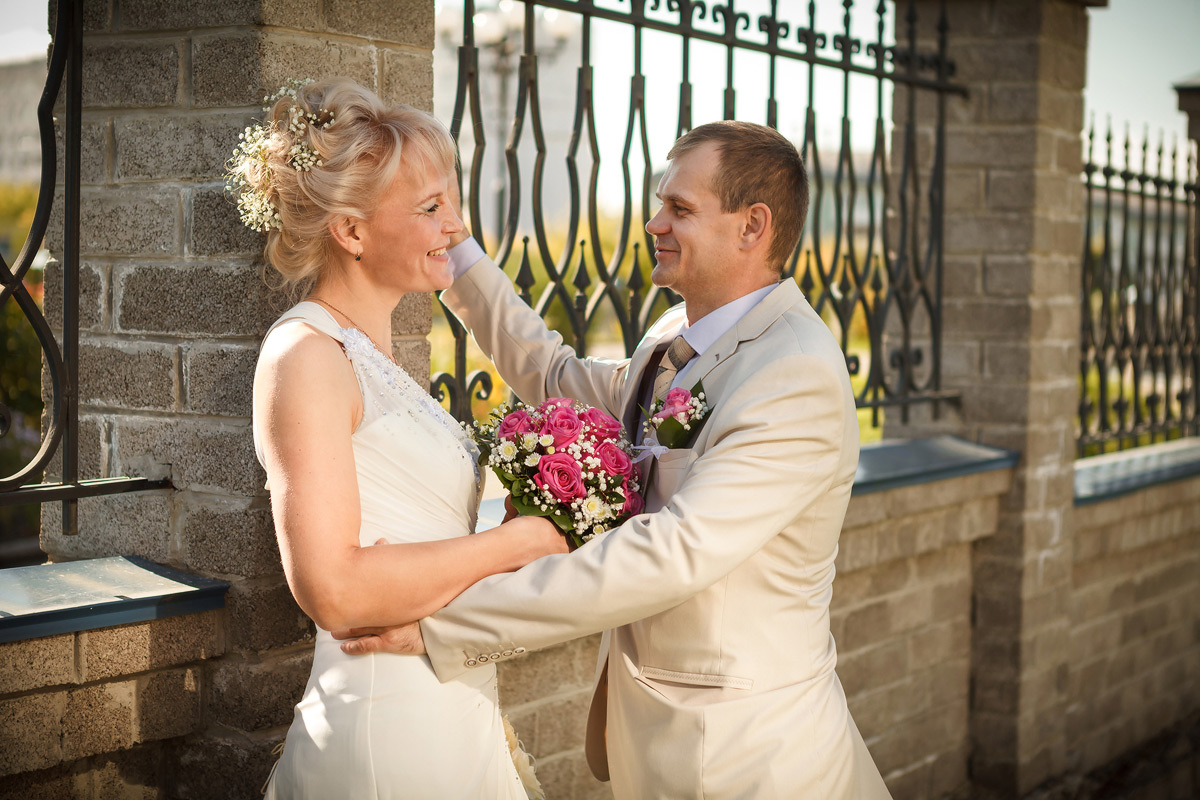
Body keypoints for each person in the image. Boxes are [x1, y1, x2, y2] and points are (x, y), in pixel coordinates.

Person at [338, 121, 893, 798]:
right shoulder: (671, 338)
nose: (654, 222)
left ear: (752, 226)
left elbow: (671, 552)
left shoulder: (793, 372)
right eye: (661, 202)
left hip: (747, 756)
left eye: (680, 209)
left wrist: (444, 622)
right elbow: (555, 374)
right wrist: (448, 243)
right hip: (657, 744)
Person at [238, 78, 568, 799]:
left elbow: (414, 537)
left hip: (451, 708)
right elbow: (336, 590)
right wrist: (515, 544)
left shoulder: (374, 358)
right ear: (351, 232)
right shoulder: (306, 356)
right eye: (430, 207)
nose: (456, 226)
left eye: (451, 199)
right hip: (387, 736)